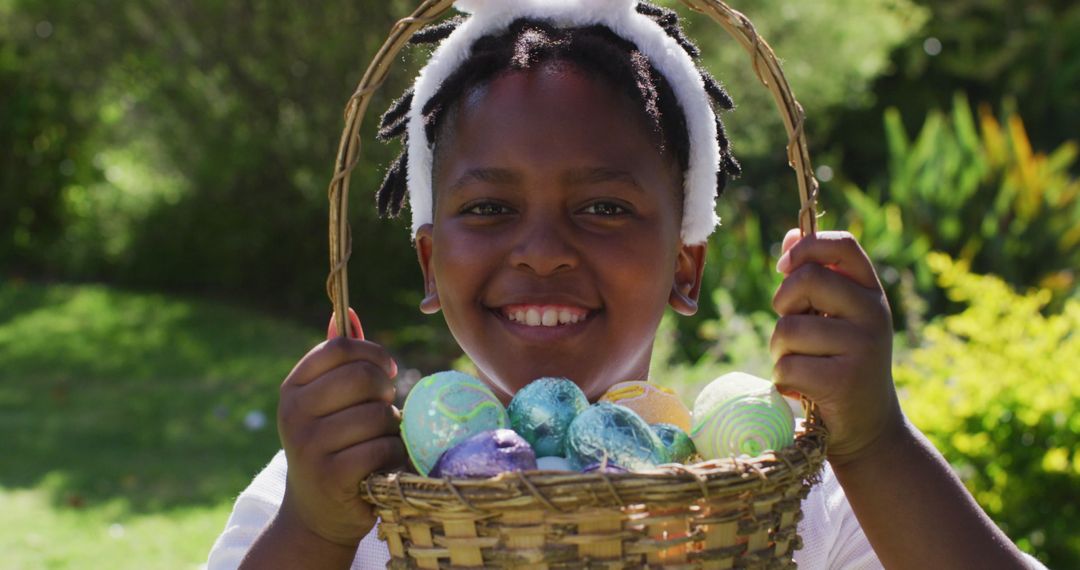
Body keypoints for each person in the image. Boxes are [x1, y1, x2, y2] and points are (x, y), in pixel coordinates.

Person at [209, 2, 1041, 568]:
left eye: (603, 206)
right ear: (431, 263)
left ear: (686, 264)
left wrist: (874, 442)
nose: (541, 252)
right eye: (491, 206)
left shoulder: (789, 494)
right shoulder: (347, 495)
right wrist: (312, 532)